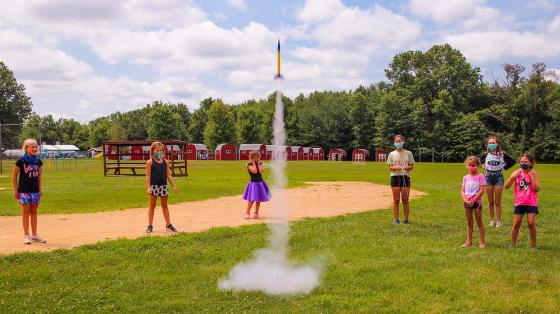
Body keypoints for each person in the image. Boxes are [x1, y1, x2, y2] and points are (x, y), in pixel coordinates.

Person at [12, 139, 47, 244]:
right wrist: (16, 191)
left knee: (34, 212)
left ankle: (35, 235)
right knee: (26, 212)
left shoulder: (38, 161)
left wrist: (40, 190)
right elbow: (14, 176)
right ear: (26, 148)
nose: (35, 148)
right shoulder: (21, 161)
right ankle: (27, 235)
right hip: (24, 191)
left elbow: (40, 176)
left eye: (36, 146)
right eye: (32, 147)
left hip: (35, 191)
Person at [504, 154, 540, 249]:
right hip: (519, 202)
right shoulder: (516, 173)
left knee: (531, 223)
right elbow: (506, 186)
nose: (523, 163)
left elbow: (536, 189)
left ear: (531, 163)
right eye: (521, 161)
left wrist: (531, 177)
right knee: (516, 223)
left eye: (525, 162)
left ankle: (534, 245)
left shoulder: (534, 173)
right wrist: (512, 177)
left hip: (531, 203)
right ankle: (513, 243)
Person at [480, 135, 515, 227]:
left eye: (493, 143)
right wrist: (483, 165)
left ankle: (499, 221)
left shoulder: (502, 154)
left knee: (498, 201)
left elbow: (512, 161)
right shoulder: (485, 155)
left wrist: (504, 167)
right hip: (488, 177)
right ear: (487, 145)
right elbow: (481, 161)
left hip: (498, 177)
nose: (491, 144)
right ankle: (492, 220)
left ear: (497, 144)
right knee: (490, 201)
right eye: (490, 143)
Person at [145, 142, 178, 234]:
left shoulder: (165, 162)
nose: (159, 152)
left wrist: (173, 186)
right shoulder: (150, 162)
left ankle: (168, 225)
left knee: (164, 206)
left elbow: (169, 175)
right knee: (152, 206)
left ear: (163, 151)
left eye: (160, 150)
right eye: (157, 150)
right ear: (152, 151)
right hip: (154, 187)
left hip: (163, 186)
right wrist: (148, 187)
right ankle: (150, 225)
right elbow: (148, 176)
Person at [387, 135, 415, 224]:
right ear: (394, 142)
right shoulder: (391, 154)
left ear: (403, 141)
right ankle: (396, 219)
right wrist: (396, 167)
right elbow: (390, 167)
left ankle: (406, 219)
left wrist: (406, 167)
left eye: (400, 141)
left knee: (405, 199)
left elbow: (411, 166)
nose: (398, 143)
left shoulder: (408, 153)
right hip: (395, 177)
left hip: (405, 177)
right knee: (396, 199)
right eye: (396, 141)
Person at [461, 156, 486, 248]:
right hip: (467, 202)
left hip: (477, 203)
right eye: (469, 165)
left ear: (478, 166)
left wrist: (473, 200)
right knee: (469, 222)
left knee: (479, 222)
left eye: (473, 165)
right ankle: (469, 242)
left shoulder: (481, 176)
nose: (471, 167)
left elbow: (482, 190)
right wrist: (465, 200)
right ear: (466, 166)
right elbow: (462, 191)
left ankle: (482, 242)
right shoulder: (465, 177)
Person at [242, 150, 271, 219]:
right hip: (253, 184)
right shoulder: (249, 165)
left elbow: (260, 171)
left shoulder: (260, 164)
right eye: (254, 158)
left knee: (258, 199)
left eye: (257, 158)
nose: (256, 159)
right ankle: (247, 212)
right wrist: (253, 163)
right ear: (251, 158)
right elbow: (254, 171)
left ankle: (256, 213)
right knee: (251, 200)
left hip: (260, 183)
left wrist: (258, 163)